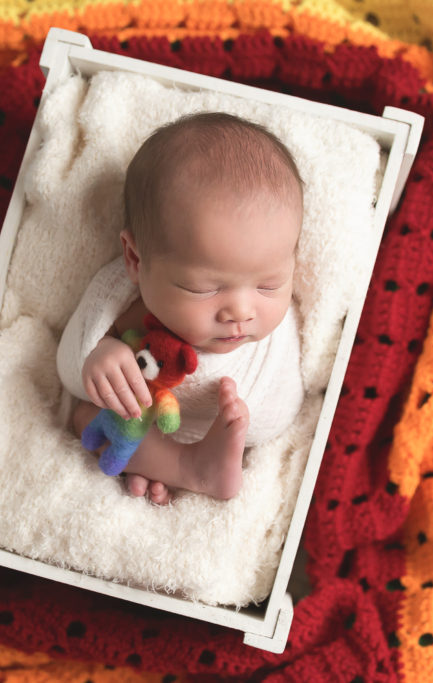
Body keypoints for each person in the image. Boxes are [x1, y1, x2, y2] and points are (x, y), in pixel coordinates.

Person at [57, 111, 305, 504]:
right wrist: (100, 353)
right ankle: (188, 467)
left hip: (233, 421)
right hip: (146, 422)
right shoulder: (124, 301)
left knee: (94, 423)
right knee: (88, 418)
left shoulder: (264, 347)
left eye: (268, 285)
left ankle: (184, 463)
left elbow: (281, 410)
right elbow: (72, 369)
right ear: (136, 259)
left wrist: (241, 419)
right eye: (203, 288)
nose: (241, 312)